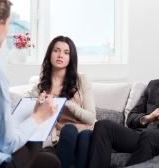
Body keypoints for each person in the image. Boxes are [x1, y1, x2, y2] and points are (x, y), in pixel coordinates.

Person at [0, 0, 61, 167]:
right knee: (39, 150)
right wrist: (38, 117)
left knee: (49, 160)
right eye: (9, 24)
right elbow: (6, 144)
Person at [28, 35, 96, 168]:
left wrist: (65, 103)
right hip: (60, 137)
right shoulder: (39, 88)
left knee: (85, 136)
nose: (60, 55)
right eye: (56, 50)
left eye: (66, 52)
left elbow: (91, 118)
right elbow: (36, 120)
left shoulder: (82, 81)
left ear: (71, 58)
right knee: (69, 130)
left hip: (84, 132)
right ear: (50, 54)